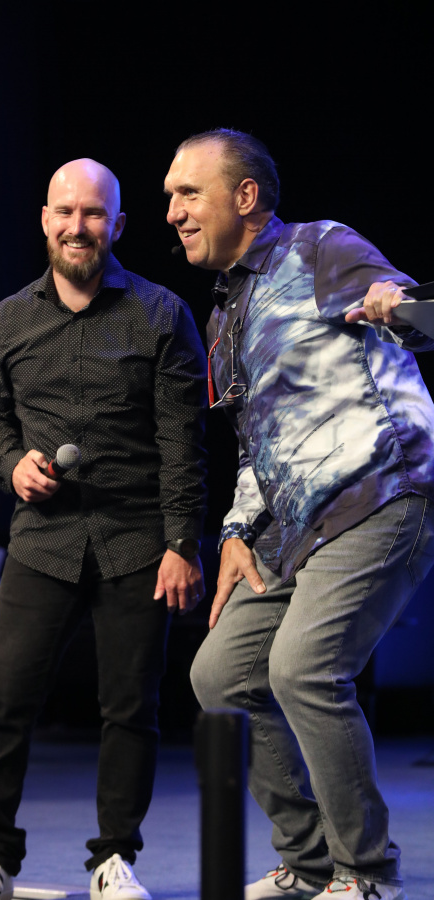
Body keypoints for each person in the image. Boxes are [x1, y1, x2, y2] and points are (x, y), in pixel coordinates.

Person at [164, 129, 434, 900]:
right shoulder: (224, 318)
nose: (173, 211)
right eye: (170, 197)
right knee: (220, 674)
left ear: (245, 196)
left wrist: (398, 305)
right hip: (292, 526)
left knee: (304, 668)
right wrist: (234, 532)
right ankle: (311, 861)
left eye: (189, 193)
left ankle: (366, 872)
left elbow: (417, 313)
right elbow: (257, 444)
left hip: (380, 492)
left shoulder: (320, 249)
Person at [0, 158, 207, 900]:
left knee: (131, 710)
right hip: (42, 540)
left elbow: (183, 444)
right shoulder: (9, 319)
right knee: (6, 705)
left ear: (117, 225)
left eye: (93, 213)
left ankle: (114, 859)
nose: (77, 226)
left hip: (136, 540)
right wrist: (11, 467)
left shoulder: (162, 314)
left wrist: (181, 544)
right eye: (65, 211)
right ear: (45, 219)